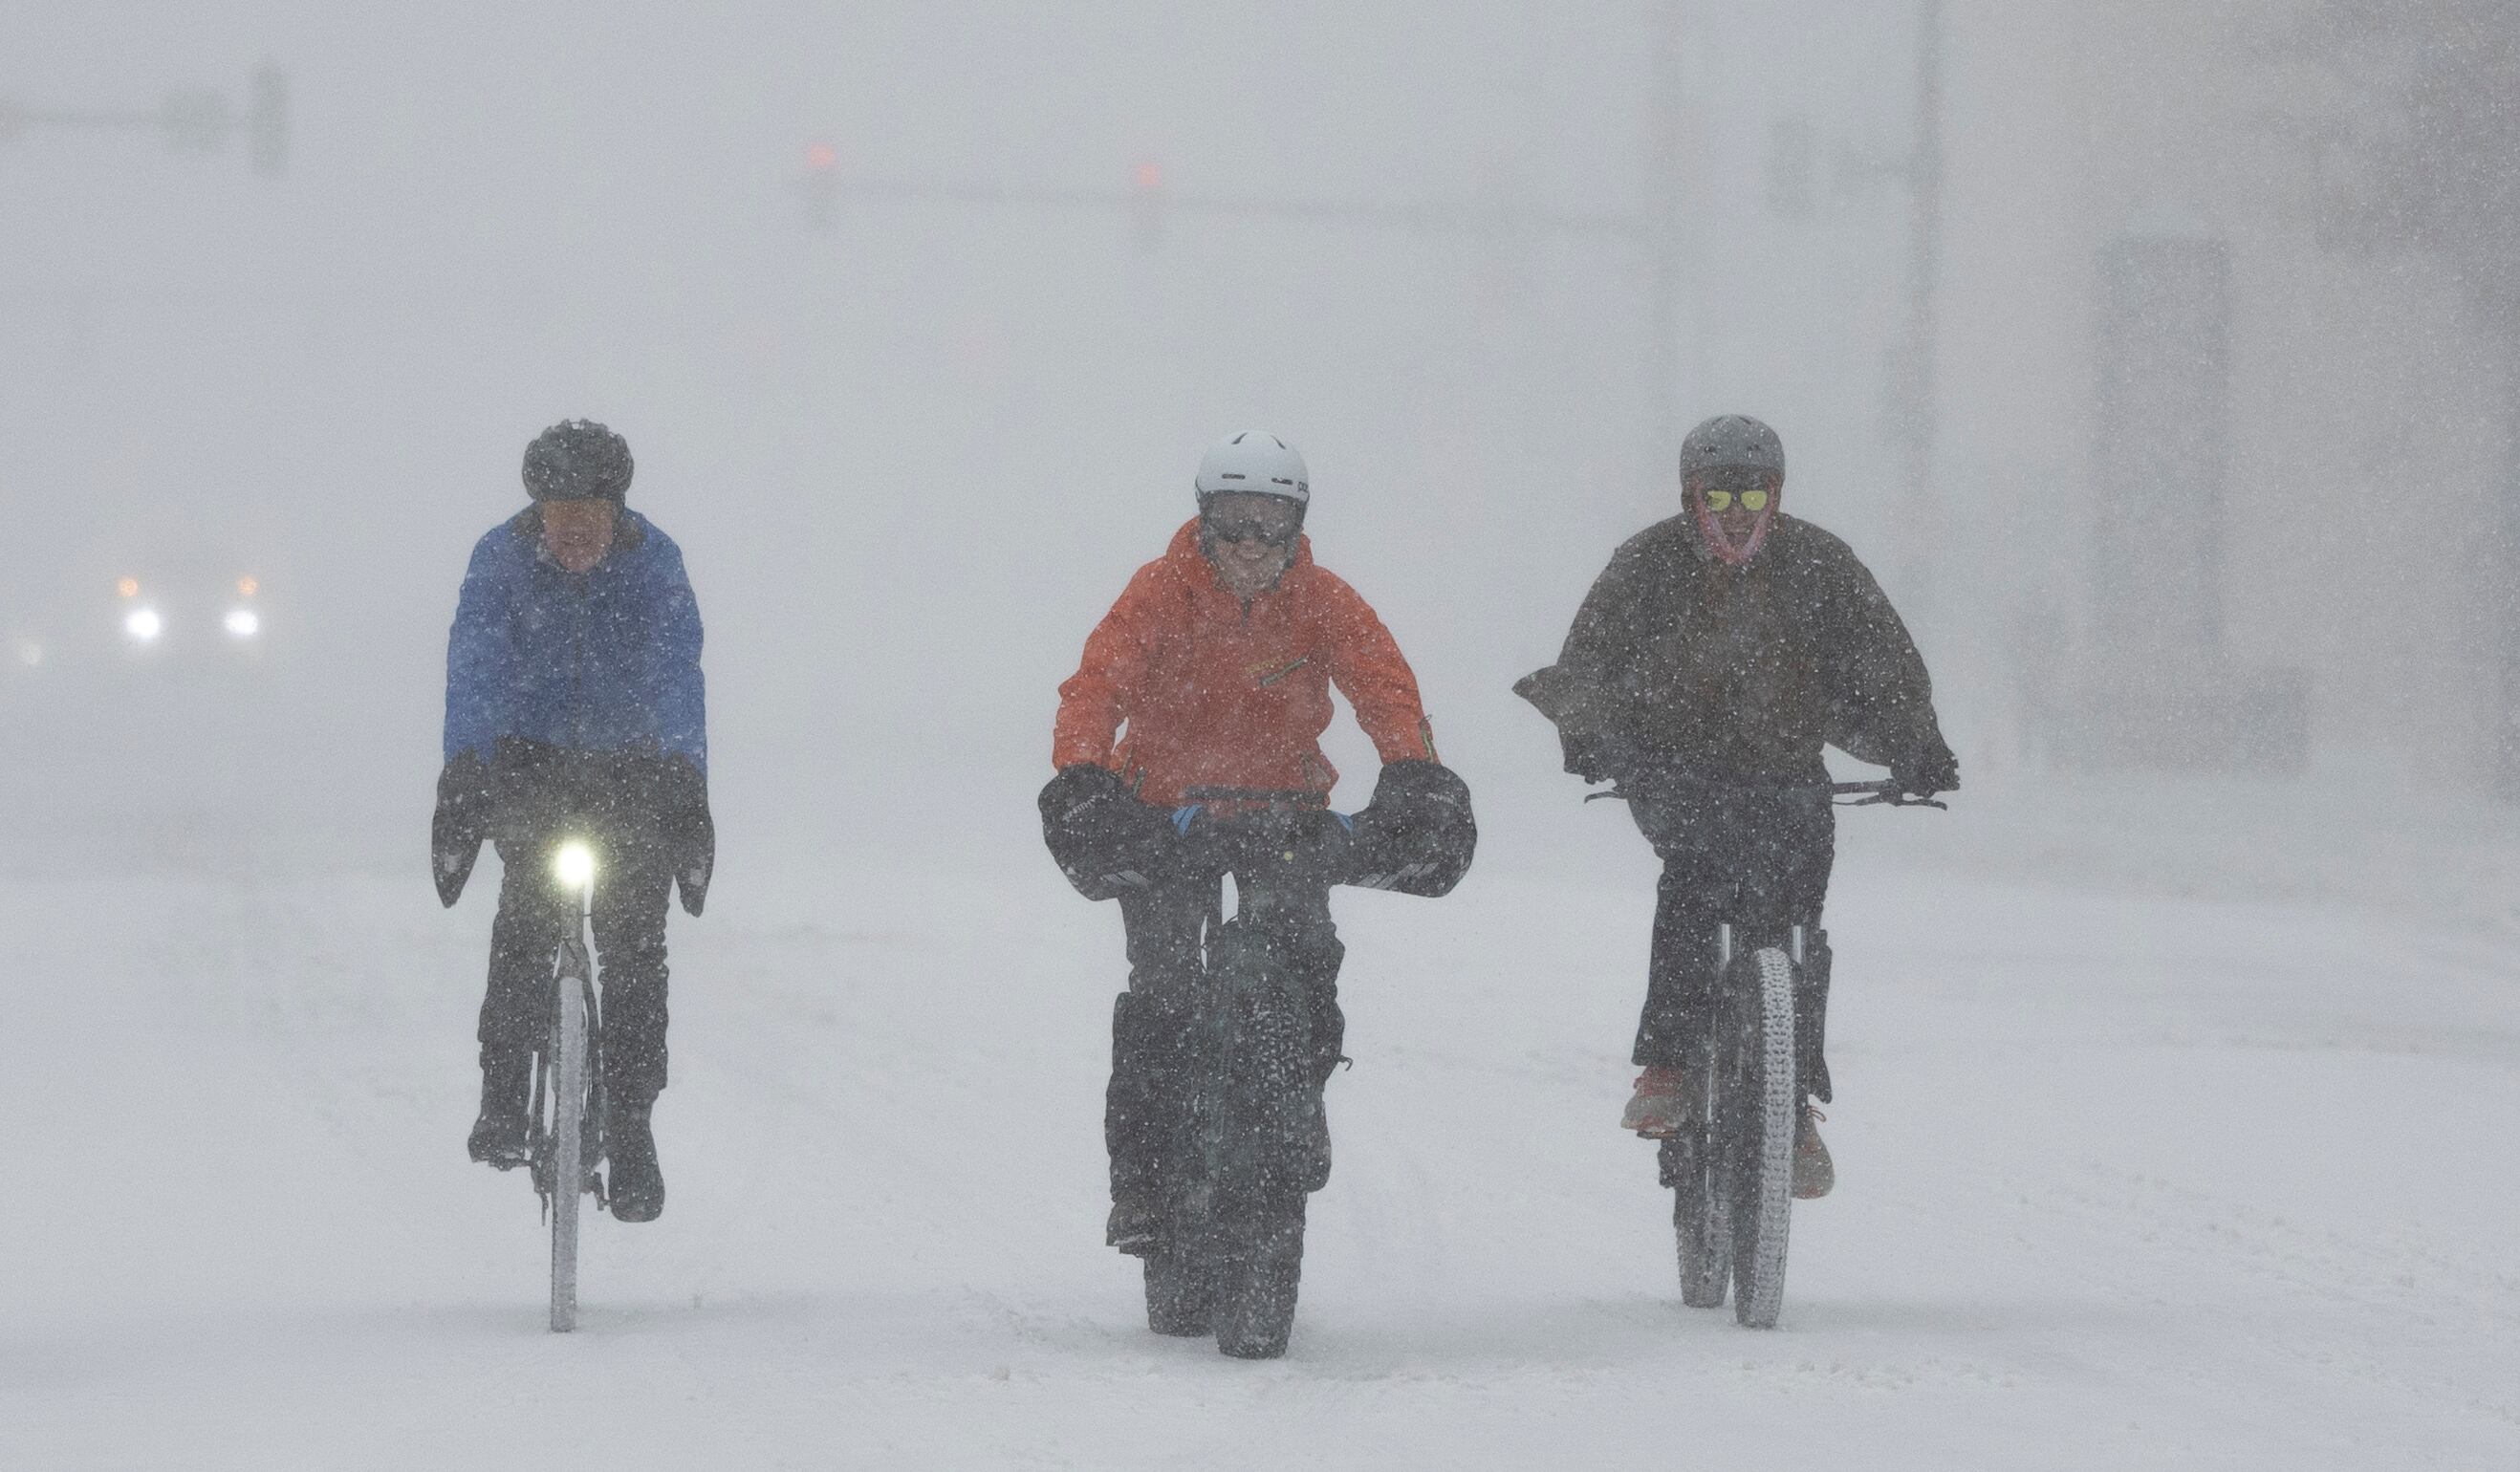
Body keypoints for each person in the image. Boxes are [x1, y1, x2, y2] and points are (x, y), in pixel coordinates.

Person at [1042, 431, 1473, 1260]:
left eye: (1269, 522)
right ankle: (1142, 1183)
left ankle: (1296, 1102)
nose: (1250, 542)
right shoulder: (1159, 593)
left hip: (1285, 814)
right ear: (1204, 521)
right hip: (1166, 817)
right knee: (1162, 991)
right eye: (1234, 521)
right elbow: (1096, 686)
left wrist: (1413, 767)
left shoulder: (1324, 601)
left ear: (1296, 525)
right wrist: (1083, 772)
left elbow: (1384, 685)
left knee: (1309, 960)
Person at [1515, 414, 1954, 1199]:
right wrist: (1591, 737)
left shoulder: (1821, 564)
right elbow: (1590, 662)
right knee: (1694, 876)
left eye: (1753, 494)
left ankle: (1793, 1099)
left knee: (1798, 912)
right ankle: (1668, 1064)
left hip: (1786, 773)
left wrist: (1916, 746)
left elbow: (1883, 662)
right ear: (1691, 496)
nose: (1738, 510)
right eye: (1720, 494)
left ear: (1776, 495)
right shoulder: (1647, 563)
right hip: (1675, 772)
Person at [430, 419, 713, 1224]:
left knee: (635, 948)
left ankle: (632, 1126)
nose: (575, 536)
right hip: (533, 766)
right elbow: (474, 667)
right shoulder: (500, 560)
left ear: (617, 511)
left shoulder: (655, 564)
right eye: (561, 520)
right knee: (524, 925)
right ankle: (502, 1094)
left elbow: (678, 677)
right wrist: (465, 774)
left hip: (632, 771)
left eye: (590, 519)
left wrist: (685, 784)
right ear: (538, 514)